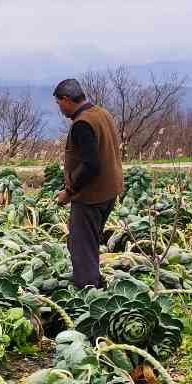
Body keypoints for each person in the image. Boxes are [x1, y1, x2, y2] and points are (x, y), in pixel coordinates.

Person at [52, 78, 124, 288]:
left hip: (91, 196)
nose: (60, 109)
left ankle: (89, 293)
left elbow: (91, 165)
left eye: (59, 103)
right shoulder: (102, 113)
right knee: (90, 241)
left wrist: (69, 191)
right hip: (109, 191)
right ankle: (97, 283)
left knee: (81, 245)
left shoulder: (83, 123)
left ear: (66, 99)